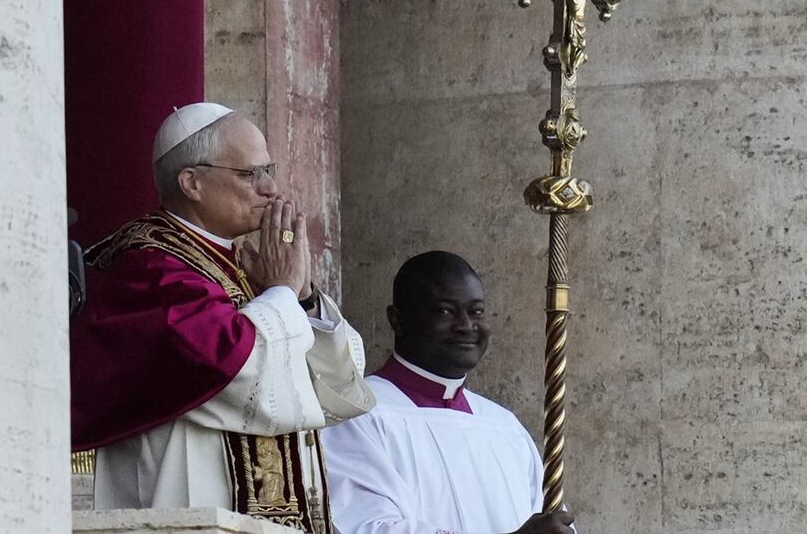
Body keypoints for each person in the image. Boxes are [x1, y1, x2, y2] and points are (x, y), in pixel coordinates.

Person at [70, 102, 375, 534]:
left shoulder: (246, 268)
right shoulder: (152, 266)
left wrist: (303, 296)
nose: (270, 188)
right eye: (250, 174)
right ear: (192, 182)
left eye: (269, 170)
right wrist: (283, 291)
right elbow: (232, 368)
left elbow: (331, 391)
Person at [321, 251, 577, 534]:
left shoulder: (504, 426)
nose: (466, 326)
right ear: (397, 320)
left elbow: (553, 522)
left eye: (476, 311)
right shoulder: (358, 414)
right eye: (445, 311)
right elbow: (367, 527)